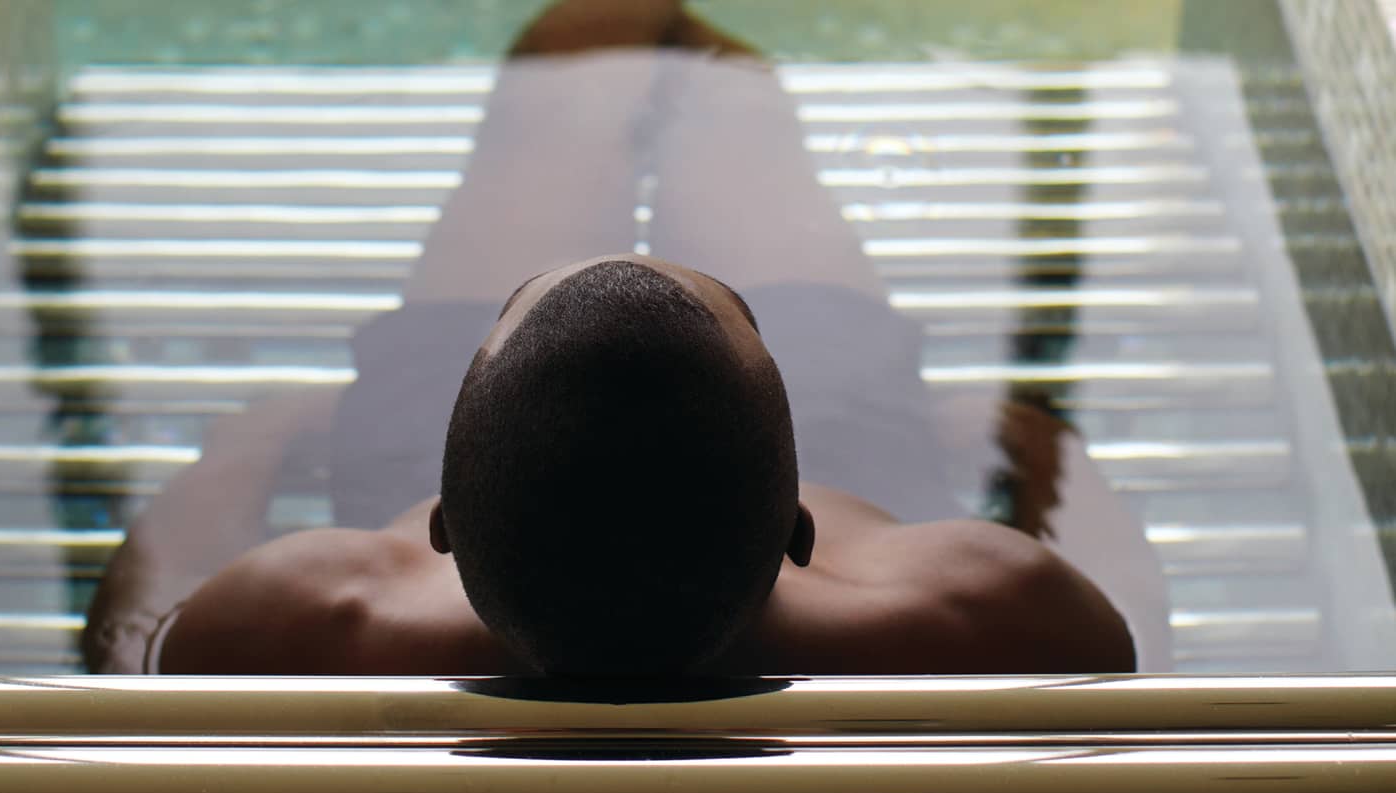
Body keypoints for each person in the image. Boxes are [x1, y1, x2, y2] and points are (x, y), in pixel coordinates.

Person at [82, 0, 1165, 677]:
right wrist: (1044, 453)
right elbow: (1133, 644)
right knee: (728, 95)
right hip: (852, 436)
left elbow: (135, 647)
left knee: (572, 51)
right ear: (798, 525)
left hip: (522, 435)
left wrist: (242, 451)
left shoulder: (319, 611)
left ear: (442, 527)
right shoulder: (968, 607)